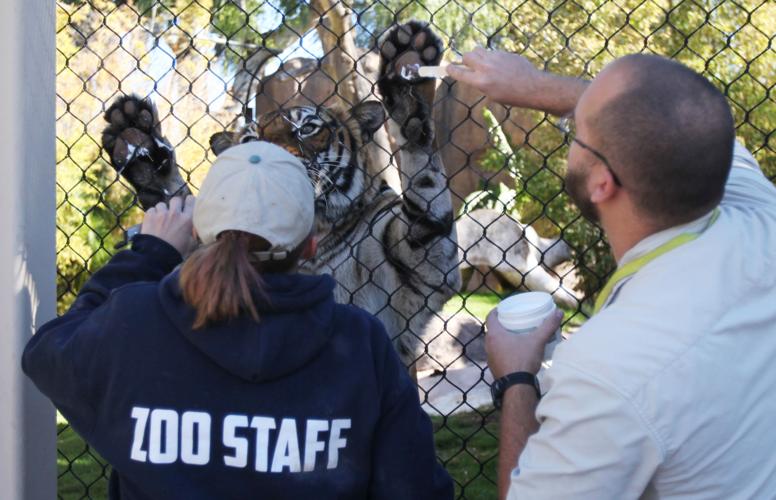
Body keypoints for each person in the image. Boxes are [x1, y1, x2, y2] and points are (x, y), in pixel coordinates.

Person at [22, 141, 453, 500]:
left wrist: (151, 253)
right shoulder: (360, 344)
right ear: (311, 246)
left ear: (198, 233)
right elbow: (414, 488)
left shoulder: (136, 321)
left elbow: (47, 353)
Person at [447, 51, 776, 499]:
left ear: (602, 182)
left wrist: (517, 378)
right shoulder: (759, 214)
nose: (570, 137)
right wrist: (534, 84)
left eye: (577, 133)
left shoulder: (609, 366)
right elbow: (676, 120)